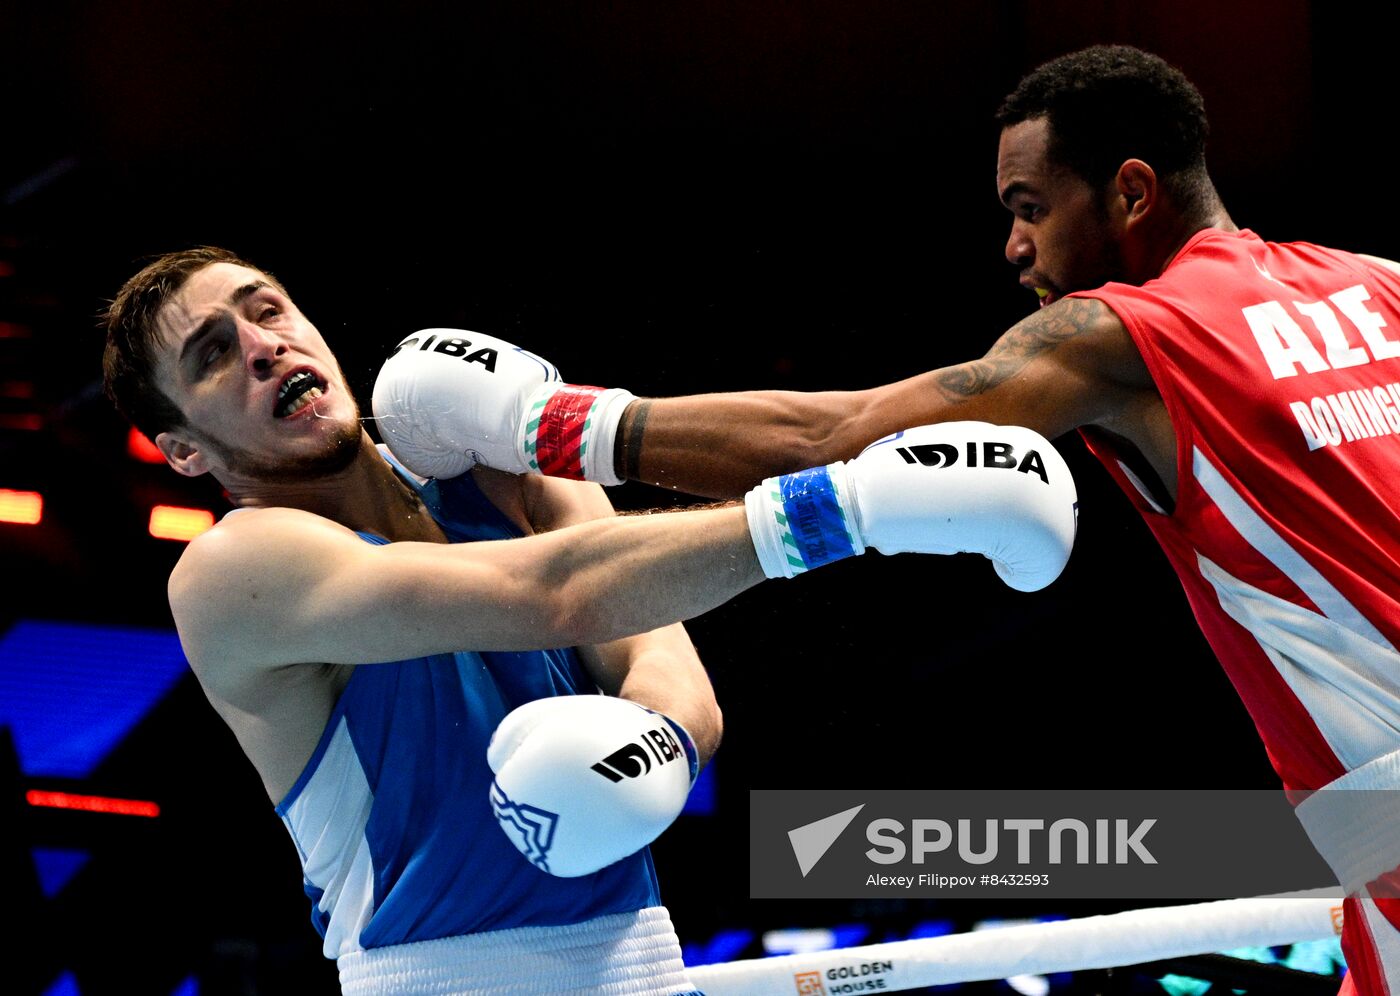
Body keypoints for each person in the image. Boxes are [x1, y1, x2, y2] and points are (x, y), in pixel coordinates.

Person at [371, 46, 1400, 993]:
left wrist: (543, 426)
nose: (1012, 243)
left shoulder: (1122, 333)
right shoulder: (1379, 287)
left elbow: (840, 435)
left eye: (1028, 206)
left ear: (1129, 191)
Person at [100, 247, 1078, 994]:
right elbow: (549, 593)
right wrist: (844, 510)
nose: (263, 345)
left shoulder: (477, 459)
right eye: (215, 354)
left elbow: (657, 650)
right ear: (184, 453)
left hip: (643, 957)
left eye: (267, 312)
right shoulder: (230, 573)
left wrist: (650, 744)